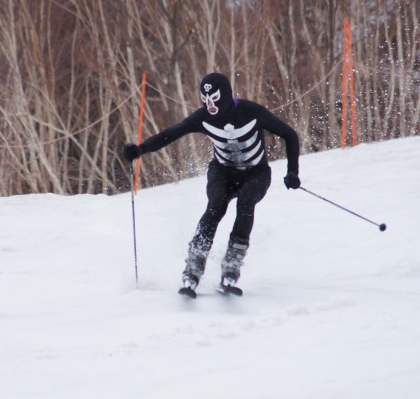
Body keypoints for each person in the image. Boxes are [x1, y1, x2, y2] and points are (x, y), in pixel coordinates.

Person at [123, 72, 300, 294]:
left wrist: (292, 171)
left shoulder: (252, 112)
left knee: (246, 203)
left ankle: (231, 267)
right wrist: (140, 149)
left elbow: (290, 135)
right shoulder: (202, 118)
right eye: (205, 100)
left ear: (225, 96)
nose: (210, 105)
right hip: (222, 171)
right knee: (216, 206)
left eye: (215, 99)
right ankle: (193, 268)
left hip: (256, 172)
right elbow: (170, 134)